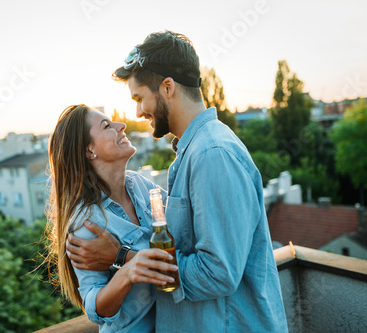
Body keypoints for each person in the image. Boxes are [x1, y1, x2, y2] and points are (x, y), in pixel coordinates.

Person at [66, 31, 289, 332]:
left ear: (167, 88)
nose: (137, 112)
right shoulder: (192, 152)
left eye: (139, 97)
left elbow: (216, 274)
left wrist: (123, 256)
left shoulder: (212, 154)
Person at [46, 104, 178, 332]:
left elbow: (184, 227)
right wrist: (127, 271)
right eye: (107, 126)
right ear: (89, 151)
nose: (122, 125)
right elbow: (96, 308)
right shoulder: (87, 222)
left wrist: (121, 255)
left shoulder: (139, 184)